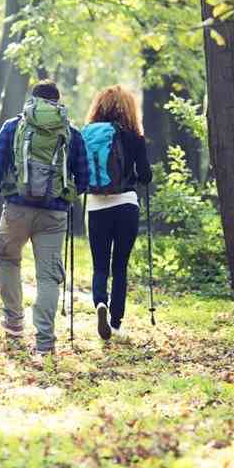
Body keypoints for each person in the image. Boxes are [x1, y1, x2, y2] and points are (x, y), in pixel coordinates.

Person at [0, 79, 89, 358]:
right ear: (57, 102)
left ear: (33, 100)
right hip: (54, 213)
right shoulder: (71, 133)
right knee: (48, 277)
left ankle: (14, 322)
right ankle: (44, 341)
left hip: (16, 208)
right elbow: (85, 177)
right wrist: (66, 194)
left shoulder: (13, 126)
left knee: (8, 259)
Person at [82, 86, 152, 341]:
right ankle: (115, 323)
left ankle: (100, 302)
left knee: (100, 265)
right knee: (120, 266)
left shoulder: (87, 135)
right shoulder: (134, 135)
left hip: (97, 206)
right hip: (126, 205)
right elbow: (145, 175)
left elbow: (79, 173)